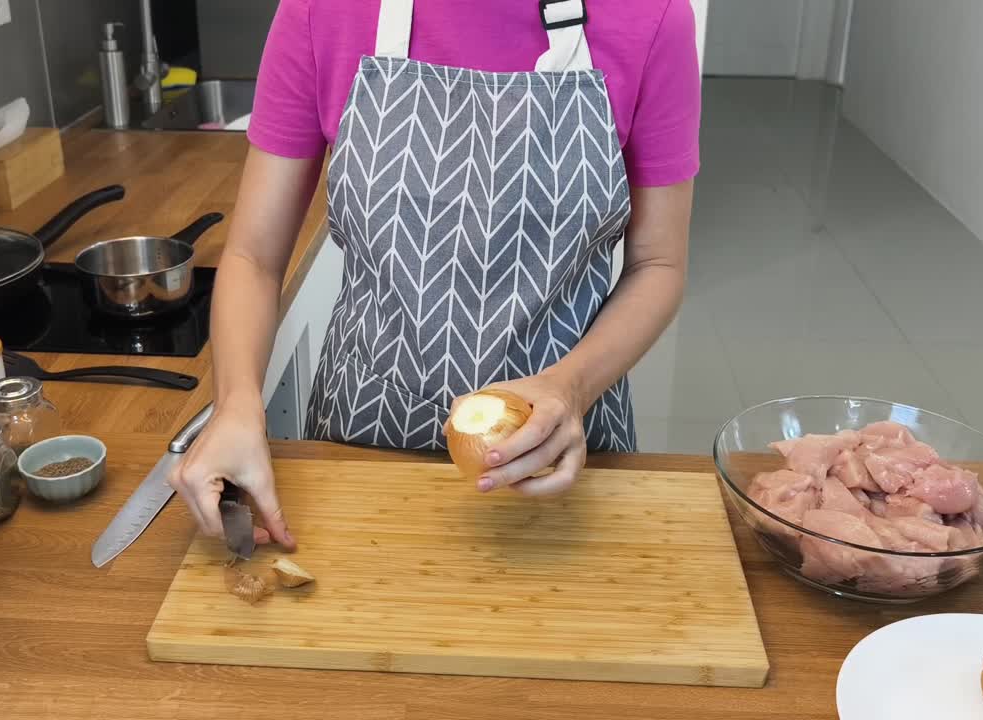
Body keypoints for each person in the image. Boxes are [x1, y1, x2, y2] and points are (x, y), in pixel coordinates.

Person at [172, 0, 701, 547]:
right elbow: (254, 257)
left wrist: (569, 388)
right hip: (360, 448)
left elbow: (658, 265)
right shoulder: (323, 10)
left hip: (560, 457)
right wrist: (235, 407)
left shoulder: (651, 16)